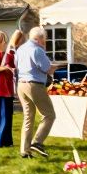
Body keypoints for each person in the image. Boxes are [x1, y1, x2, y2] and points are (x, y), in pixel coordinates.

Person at [16, 26, 56, 159]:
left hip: (21, 84)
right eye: (45, 39)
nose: (45, 41)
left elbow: (17, 64)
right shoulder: (37, 49)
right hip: (34, 84)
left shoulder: (21, 48)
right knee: (49, 114)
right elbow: (46, 68)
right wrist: (53, 67)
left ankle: (24, 150)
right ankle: (37, 142)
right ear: (40, 38)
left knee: (28, 116)